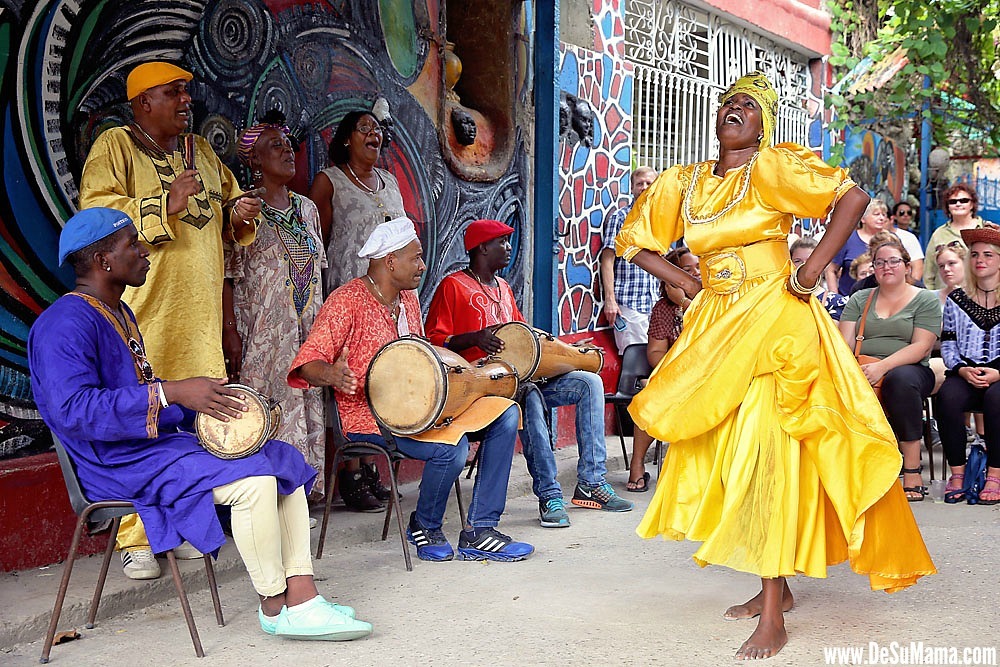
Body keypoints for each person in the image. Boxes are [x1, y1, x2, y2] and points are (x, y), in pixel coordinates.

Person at [616, 71, 935, 660]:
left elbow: (852, 197)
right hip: (715, 326)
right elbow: (633, 239)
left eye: (748, 106)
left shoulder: (770, 168)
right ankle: (779, 590)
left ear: (764, 124)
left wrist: (810, 270)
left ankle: (771, 610)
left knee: (770, 450)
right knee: (734, 449)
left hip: (776, 322)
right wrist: (684, 279)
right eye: (727, 104)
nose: (734, 110)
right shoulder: (683, 182)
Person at [29, 208, 372, 641]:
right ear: (103, 262)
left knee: (279, 456)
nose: (144, 250)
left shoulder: (118, 313)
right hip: (111, 465)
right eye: (132, 244)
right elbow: (73, 411)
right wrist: (172, 392)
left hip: (148, 449)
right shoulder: (63, 324)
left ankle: (302, 594)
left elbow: (145, 398)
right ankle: (274, 604)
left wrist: (205, 404)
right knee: (255, 482)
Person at [79, 61, 262, 580]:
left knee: (197, 424)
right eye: (173, 93)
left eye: (187, 91)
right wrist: (164, 202)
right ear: (142, 103)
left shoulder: (199, 151)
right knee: (143, 422)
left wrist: (239, 215)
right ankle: (136, 535)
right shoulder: (115, 147)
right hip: (145, 317)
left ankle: (183, 524)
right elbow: (96, 220)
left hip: (198, 317)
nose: (186, 101)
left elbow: (224, 209)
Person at [288, 219, 533, 562]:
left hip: (424, 407)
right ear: (390, 261)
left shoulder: (409, 300)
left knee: (506, 413)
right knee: (451, 447)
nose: (422, 266)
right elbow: (307, 363)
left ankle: (481, 528)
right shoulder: (346, 301)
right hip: (371, 418)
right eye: (415, 258)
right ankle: (425, 525)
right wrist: (333, 374)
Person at [425, 219, 633, 529]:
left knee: (589, 381)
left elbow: (525, 338)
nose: (509, 248)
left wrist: (568, 352)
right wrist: (475, 338)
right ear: (482, 247)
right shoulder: (453, 286)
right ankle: (549, 494)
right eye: (502, 242)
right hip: (482, 387)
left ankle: (591, 482)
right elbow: (434, 342)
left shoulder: (505, 288)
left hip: (521, 378)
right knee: (529, 395)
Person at [308, 109, 407, 511]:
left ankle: (372, 466)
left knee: (378, 380)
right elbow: (316, 241)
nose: (374, 134)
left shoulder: (391, 183)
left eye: (378, 129)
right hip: (348, 296)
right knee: (348, 381)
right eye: (364, 128)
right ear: (346, 138)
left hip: (385, 301)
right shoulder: (328, 181)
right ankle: (349, 472)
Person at [224, 116, 327, 496]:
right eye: (275, 146)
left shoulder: (307, 209)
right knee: (272, 405)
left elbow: (320, 273)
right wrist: (230, 331)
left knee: (307, 398)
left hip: (307, 328)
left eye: (288, 145)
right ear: (254, 160)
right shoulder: (243, 211)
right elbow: (228, 275)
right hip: (263, 334)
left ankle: (305, 491)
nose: (287, 151)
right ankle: (276, 495)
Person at [839, 242, 941, 501]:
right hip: (863, 367)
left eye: (894, 261)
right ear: (873, 269)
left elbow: (921, 346)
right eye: (880, 262)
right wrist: (854, 371)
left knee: (900, 380)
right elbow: (843, 344)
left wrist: (882, 366)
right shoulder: (860, 299)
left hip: (911, 370)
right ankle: (852, 471)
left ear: (908, 267)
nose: (887, 267)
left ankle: (912, 470)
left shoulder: (925, 299)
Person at [625, 247, 700, 492]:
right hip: (677, 376)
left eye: (698, 268)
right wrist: (680, 369)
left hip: (711, 375)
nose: (695, 274)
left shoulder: (714, 302)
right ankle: (637, 466)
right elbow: (655, 353)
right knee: (648, 398)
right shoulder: (663, 310)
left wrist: (686, 303)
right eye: (686, 271)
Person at [935, 227, 1000, 504]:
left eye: (988, 254)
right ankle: (958, 472)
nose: (979, 260)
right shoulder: (956, 299)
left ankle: (996, 473)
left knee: (998, 399)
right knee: (947, 397)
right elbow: (948, 342)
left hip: (999, 374)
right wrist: (961, 369)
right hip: (966, 371)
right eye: (974, 255)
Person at [600, 167, 660, 353]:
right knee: (635, 360)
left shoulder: (662, 220)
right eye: (639, 183)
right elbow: (607, 260)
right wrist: (610, 300)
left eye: (649, 183)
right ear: (632, 188)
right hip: (629, 303)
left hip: (655, 303)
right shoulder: (620, 218)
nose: (644, 187)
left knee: (655, 361)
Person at [923, 184, 985, 289]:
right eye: (953, 202)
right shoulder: (939, 234)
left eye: (964, 200)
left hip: (980, 297)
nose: (958, 204)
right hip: (945, 298)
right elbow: (929, 272)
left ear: (972, 204)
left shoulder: (987, 230)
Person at [826, 199, 890, 295]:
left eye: (884, 215)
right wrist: (835, 298)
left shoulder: (890, 239)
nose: (881, 218)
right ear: (862, 219)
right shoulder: (848, 239)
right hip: (849, 299)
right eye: (876, 214)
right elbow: (831, 270)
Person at [789, 237, 847, 320]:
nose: (804, 265)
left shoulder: (835, 302)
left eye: (810, 260)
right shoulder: (779, 297)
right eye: (798, 261)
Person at [888, 203, 925, 279]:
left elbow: (918, 263)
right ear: (894, 216)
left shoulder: (914, 236)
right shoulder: (889, 234)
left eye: (909, 213)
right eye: (902, 213)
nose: (906, 215)